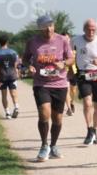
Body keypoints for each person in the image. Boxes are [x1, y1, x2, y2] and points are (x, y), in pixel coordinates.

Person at [23, 14, 73, 162]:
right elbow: (25, 58)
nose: (49, 29)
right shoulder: (32, 42)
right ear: (40, 29)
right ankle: (44, 145)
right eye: (45, 27)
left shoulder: (62, 40)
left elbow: (71, 59)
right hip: (41, 83)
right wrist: (29, 66)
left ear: (54, 26)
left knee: (57, 118)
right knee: (44, 113)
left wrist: (63, 64)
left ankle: (54, 145)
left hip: (59, 83)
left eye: (51, 26)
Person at [71, 19, 97, 145]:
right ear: (84, 29)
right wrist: (70, 70)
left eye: (93, 29)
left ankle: (94, 130)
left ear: (96, 30)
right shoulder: (75, 41)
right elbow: (69, 56)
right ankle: (89, 130)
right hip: (83, 75)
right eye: (88, 29)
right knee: (87, 103)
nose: (91, 31)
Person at [0, 36, 21, 119]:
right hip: (12, 75)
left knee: (4, 95)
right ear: (7, 42)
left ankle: (7, 113)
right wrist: (17, 73)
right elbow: (16, 64)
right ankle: (16, 107)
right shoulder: (13, 52)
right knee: (13, 93)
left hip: (2, 77)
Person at [62, 31, 77, 117]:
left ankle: (72, 102)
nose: (66, 40)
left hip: (74, 71)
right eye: (64, 38)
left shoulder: (74, 48)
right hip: (65, 72)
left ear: (69, 39)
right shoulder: (60, 48)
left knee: (73, 90)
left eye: (67, 38)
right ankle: (69, 108)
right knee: (66, 90)